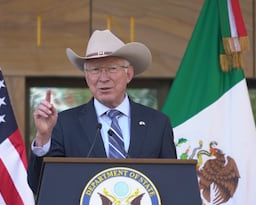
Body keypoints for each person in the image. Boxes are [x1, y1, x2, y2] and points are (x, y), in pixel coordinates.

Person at [27, 29, 177, 194]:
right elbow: (39, 185)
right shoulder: (64, 123)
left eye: (112, 68)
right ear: (86, 76)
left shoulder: (157, 123)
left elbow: (172, 183)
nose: (103, 78)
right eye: (95, 70)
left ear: (129, 74)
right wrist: (43, 137)